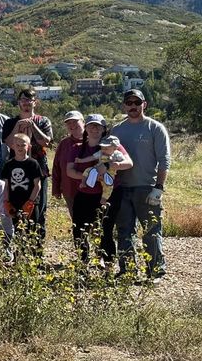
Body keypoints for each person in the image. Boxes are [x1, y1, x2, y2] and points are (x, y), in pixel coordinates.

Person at [112, 88, 171, 279]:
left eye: (137, 103)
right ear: (124, 105)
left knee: (151, 231)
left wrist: (159, 188)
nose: (133, 106)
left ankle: (155, 270)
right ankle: (128, 271)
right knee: (124, 231)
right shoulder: (117, 130)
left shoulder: (155, 128)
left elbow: (164, 161)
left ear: (144, 104)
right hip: (122, 188)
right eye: (129, 103)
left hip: (147, 189)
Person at [68, 116, 132, 265]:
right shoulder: (78, 148)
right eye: (91, 126)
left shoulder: (113, 145)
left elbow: (129, 163)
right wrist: (92, 177)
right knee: (79, 230)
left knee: (105, 230)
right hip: (85, 194)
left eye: (98, 126)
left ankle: (108, 264)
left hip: (110, 194)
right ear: (86, 128)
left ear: (104, 129)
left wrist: (109, 166)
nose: (94, 129)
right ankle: (83, 263)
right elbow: (69, 171)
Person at [2, 87, 54, 246]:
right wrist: (18, 126)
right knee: (17, 208)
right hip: (16, 172)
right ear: (18, 103)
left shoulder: (43, 121)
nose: (26, 103)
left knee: (38, 210)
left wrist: (32, 126)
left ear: (35, 102)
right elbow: (10, 143)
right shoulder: (10, 122)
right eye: (23, 100)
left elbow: (47, 142)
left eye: (29, 100)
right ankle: (20, 250)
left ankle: (37, 252)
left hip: (39, 171)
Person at [1, 133, 43, 250]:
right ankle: (20, 255)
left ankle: (36, 257)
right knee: (18, 230)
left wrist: (30, 202)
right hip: (14, 202)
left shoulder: (33, 163)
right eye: (17, 145)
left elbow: (37, 185)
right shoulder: (9, 165)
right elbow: (6, 185)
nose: (20, 147)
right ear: (12, 146)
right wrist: (6, 201)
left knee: (32, 230)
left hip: (30, 203)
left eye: (23, 145)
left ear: (28, 146)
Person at [52, 110, 85, 218]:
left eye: (75, 121)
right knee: (76, 218)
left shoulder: (93, 140)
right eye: (68, 123)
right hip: (69, 188)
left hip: (91, 189)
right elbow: (57, 167)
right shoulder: (64, 143)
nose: (72, 125)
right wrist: (56, 189)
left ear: (83, 122)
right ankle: (79, 236)